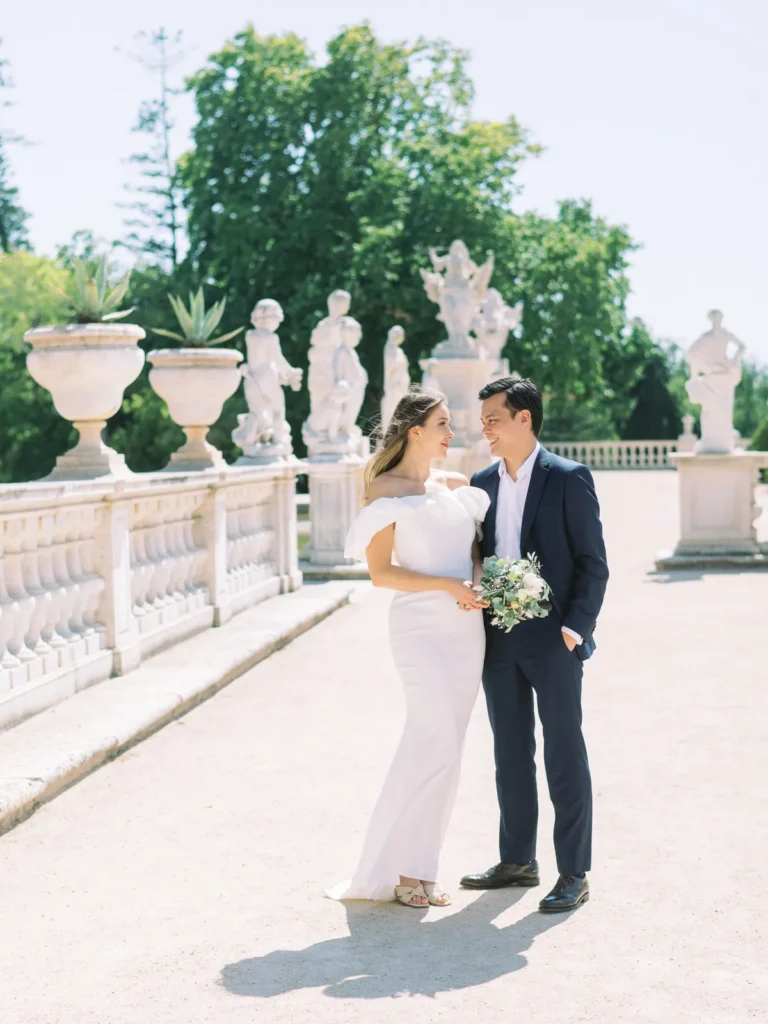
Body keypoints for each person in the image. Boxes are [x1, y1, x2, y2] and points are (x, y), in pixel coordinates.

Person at [326, 387, 489, 908]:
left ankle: (421, 868)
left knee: (449, 748)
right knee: (430, 739)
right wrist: (448, 587)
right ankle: (399, 870)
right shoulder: (384, 488)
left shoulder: (459, 485)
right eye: (443, 423)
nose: (451, 433)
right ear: (415, 430)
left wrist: (480, 582)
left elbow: (474, 554)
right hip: (421, 629)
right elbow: (381, 573)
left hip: (467, 631)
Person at [461, 377, 609, 913]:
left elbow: (594, 562)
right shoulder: (481, 482)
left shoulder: (569, 478)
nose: (486, 429)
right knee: (509, 752)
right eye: (484, 421)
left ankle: (574, 872)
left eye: (494, 419)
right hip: (497, 640)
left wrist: (574, 630)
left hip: (554, 640)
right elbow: (477, 555)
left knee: (564, 753)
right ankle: (518, 860)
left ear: (524, 419)